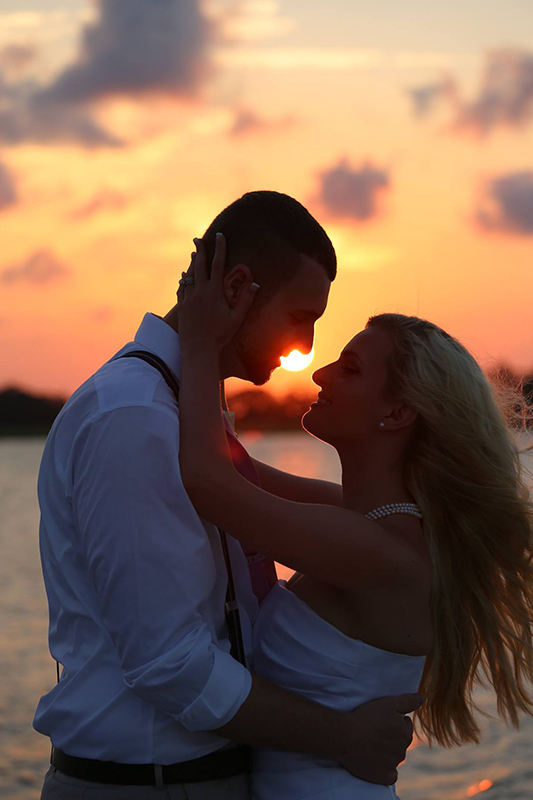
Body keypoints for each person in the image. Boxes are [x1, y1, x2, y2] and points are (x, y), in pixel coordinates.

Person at [35, 191, 421, 800]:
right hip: (152, 785)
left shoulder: (187, 414)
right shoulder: (135, 419)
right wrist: (340, 736)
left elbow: (302, 506)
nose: (305, 349)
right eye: (300, 316)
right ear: (238, 288)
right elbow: (169, 662)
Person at [175, 232, 533, 799]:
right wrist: (226, 349)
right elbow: (228, 466)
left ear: (396, 412)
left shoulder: (377, 550)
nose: (320, 375)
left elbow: (207, 482)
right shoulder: (358, 520)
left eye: (350, 368)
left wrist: (198, 344)